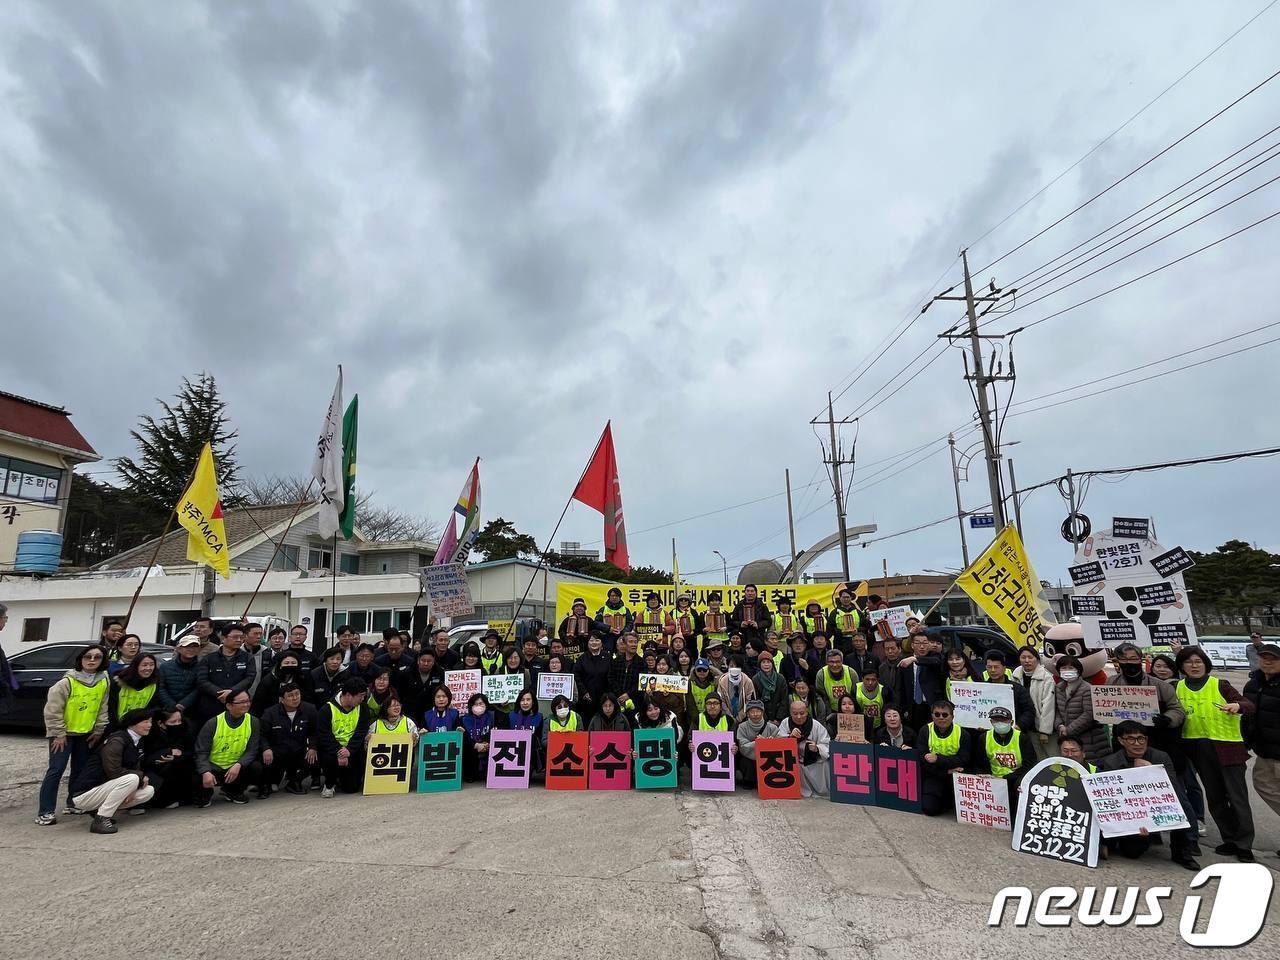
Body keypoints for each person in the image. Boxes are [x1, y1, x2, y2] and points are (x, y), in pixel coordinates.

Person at [1176, 646, 1256, 862]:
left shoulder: (1220, 684)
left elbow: (1249, 705)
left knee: (1237, 797)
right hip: (1197, 749)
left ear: (1206, 664)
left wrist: (1237, 706)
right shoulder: (1178, 687)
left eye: (1198, 661)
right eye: (1189, 662)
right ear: (1182, 666)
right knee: (1215, 798)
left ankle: (1244, 844)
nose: (1194, 665)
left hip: (1227, 748)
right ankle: (1229, 839)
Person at [1098, 720, 1201, 871]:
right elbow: (1112, 799)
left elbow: (1171, 787)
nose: (1137, 743)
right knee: (1132, 852)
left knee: (1181, 801)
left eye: (1141, 738)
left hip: (1159, 805)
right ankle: (1111, 843)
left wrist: (1150, 770)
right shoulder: (1112, 762)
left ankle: (1183, 852)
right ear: (1121, 740)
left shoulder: (1161, 756)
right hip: (1132, 812)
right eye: (1131, 739)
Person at [36, 644, 110, 825]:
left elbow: (102, 707)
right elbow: (53, 710)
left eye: (97, 657)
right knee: (56, 770)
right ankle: (45, 811)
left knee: (80, 769)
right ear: (80, 659)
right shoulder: (66, 682)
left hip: (86, 734)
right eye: (88, 657)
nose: (92, 660)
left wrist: (99, 729)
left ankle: (73, 803)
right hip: (63, 735)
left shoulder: (103, 681)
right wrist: (58, 734)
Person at [67, 708, 156, 834]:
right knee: (133, 778)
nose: (149, 725)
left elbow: (135, 767)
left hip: (104, 789)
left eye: (150, 722)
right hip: (85, 793)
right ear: (132, 723)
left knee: (147, 791)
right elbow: (113, 771)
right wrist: (139, 777)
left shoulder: (137, 740)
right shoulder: (117, 740)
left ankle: (98, 811)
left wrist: (134, 785)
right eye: (145, 722)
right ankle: (101, 819)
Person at [194, 690, 262, 806]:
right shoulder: (213, 723)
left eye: (247, 701)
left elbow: (252, 750)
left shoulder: (253, 721)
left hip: (234, 767)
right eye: (241, 702)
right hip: (213, 767)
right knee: (196, 772)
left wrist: (239, 764)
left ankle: (232, 791)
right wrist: (205, 771)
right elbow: (201, 752)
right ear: (229, 705)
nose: (246, 705)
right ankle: (205, 793)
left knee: (256, 767)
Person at [1243, 642, 1280, 855]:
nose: (1267, 661)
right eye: (1263, 657)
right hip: (1264, 751)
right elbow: (1248, 715)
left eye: (1273, 658)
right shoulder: (1253, 683)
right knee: (1263, 785)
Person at [259, 682, 321, 795]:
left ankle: (295, 781)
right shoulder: (270, 713)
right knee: (263, 758)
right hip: (277, 752)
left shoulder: (310, 709)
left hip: (299, 750)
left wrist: (312, 747)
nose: (295, 698)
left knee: (316, 756)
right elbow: (262, 735)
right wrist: (266, 748)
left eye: (297, 694)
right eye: (290, 695)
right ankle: (266, 784)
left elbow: (315, 732)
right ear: (282, 699)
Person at [194, 622, 256, 731]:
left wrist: (232, 692)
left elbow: (250, 678)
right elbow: (202, 680)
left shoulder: (248, 658)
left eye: (241, 637)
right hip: (211, 705)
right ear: (223, 638)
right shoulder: (209, 658)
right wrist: (220, 693)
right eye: (235, 637)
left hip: (237, 705)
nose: (239, 640)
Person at [916, 699, 971, 816]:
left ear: (952, 716)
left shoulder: (963, 734)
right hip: (934, 775)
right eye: (937, 714)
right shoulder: (925, 731)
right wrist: (947, 770)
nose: (941, 718)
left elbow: (964, 760)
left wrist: (938, 759)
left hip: (956, 776)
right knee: (929, 809)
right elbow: (923, 761)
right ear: (932, 716)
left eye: (945, 714)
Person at [318, 678, 371, 796]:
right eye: (360, 696)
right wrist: (339, 751)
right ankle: (329, 783)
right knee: (327, 757)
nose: (362, 699)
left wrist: (349, 750)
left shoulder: (363, 708)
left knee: (351, 788)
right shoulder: (327, 709)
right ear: (348, 695)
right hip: (333, 750)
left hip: (352, 749)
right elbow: (325, 736)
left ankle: (342, 777)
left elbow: (361, 731)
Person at [1053, 655, 1110, 762]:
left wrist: (1069, 730)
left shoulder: (1087, 688)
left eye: (1070, 668)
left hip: (1089, 739)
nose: (1067, 671)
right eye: (1063, 668)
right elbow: (1057, 711)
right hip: (1067, 738)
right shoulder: (1059, 688)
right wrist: (1059, 726)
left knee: (1090, 766)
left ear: (1078, 670)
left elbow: (1089, 714)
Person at [980, 706, 1035, 817]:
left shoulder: (1022, 738)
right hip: (992, 779)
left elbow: (1029, 765)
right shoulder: (984, 737)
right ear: (991, 722)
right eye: (996, 720)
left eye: (1003, 720)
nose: (999, 723)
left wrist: (1006, 778)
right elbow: (980, 762)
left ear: (1011, 722)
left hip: (1015, 778)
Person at [143, 707, 197, 808]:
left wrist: (179, 757)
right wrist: (168, 752)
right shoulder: (151, 734)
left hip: (181, 762)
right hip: (157, 767)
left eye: (179, 720)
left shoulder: (186, 728)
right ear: (161, 723)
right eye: (173, 722)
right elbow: (146, 756)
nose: (177, 724)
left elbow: (192, 751)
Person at [776, 699, 831, 798]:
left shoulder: (816, 725)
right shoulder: (785, 723)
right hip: (794, 760)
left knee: (825, 765)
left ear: (807, 712)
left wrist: (817, 748)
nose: (799, 717)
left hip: (813, 759)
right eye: (795, 714)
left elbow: (826, 743)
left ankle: (821, 791)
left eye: (802, 713)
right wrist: (789, 737)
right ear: (790, 713)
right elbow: (778, 743)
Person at [1011, 645, 1057, 757]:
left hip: (1041, 727)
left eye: (1030, 657)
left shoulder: (1046, 677)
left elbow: (1048, 705)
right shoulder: (1016, 675)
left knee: (1050, 757)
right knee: (1034, 758)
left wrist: (1044, 731)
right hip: (1024, 726)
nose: (1027, 661)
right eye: (1023, 657)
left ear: (1037, 658)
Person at [981, 650, 1036, 735]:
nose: (992, 670)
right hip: (988, 734)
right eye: (989, 667)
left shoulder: (1017, 689)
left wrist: (1019, 726)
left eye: (996, 667)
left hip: (1014, 733)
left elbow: (1029, 711)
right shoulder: (981, 689)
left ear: (1004, 668)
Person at [898, 634, 944, 730]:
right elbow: (901, 688)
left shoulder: (934, 656)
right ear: (912, 645)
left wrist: (915, 659)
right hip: (913, 706)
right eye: (918, 643)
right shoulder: (906, 662)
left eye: (925, 643)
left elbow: (936, 661)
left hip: (931, 705)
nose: (922, 646)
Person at [108, 654, 159, 729]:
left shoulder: (154, 683)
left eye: (152, 665)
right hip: (116, 725)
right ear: (136, 666)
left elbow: (152, 707)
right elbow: (111, 707)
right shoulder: (118, 682)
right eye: (144, 665)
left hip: (139, 726)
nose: (148, 668)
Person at [735, 700, 776, 789]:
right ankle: (748, 781)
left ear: (762, 712)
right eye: (752, 712)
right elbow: (742, 746)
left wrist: (771, 742)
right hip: (750, 757)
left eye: (758, 711)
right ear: (748, 714)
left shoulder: (772, 727)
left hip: (767, 758)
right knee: (745, 762)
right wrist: (757, 743)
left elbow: (781, 743)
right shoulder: (742, 727)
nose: (755, 714)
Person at [253, 651, 308, 715]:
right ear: (280, 665)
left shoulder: (302, 679)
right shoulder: (268, 681)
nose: (290, 665)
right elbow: (258, 704)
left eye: (293, 663)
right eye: (286, 663)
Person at [607, 632, 643, 712]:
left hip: (635, 703)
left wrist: (628, 695)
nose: (634, 644)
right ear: (624, 644)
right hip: (617, 701)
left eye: (635, 642)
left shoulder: (642, 663)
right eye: (630, 642)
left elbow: (641, 683)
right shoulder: (615, 662)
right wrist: (620, 695)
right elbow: (611, 679)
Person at [814, 648, 857, 716]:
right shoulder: (821, 674)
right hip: (830, 711)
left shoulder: (851, 673)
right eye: (831, 662)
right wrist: (829, 714)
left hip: (849, 712)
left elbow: (855, 695)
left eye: (837, 662)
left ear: (842, 662)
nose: (835, 665)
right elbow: (821, 697)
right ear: (826, 662)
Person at [751, 648, 789, 722]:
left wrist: (778, 718)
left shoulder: (780, 678)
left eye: (768, 662)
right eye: (763, 662)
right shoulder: (755, 679)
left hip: (778, 716)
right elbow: (756, 700)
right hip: (763, 717)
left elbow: (784, 700)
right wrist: (765, 719)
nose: (766, 665)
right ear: (760, 665)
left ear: (772, 664)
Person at [730, 584, 771, 649]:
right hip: (743, 637)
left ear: (756, 593)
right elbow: (733, 621)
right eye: (748, 591)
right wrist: (740, 624)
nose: (750, 593)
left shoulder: (762, 606)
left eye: (752, 591)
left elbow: (768, 621)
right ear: (745, 593)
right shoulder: (739, 606)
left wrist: (758, 624)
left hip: (758, 636)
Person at [716, 658, 756, 723]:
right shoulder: (722, 681)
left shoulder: (748, 681)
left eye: (737, 666)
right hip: (726, 717)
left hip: (745, 718)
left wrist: (739, 717)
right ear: (728, 667)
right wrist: (730, 717)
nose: (734, 669)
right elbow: (721, 701)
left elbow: (749, 701)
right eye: (731, 666)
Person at [594, 587, 633, 652]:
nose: (614, 597)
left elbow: (630, 623)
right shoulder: (603, 609)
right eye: (612, 596)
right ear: (609, 597)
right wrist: (608, 629)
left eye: (616, 596)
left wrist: (623, 632)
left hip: (621, 637)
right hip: (607, 637)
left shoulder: (626, 610)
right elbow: (596, 623)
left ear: (620, 597)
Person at [241, 622, 273, 701]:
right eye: (255, 634)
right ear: (245, 635)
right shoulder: (238, 652)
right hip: (241, 696)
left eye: (260, 634)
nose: (259, 637)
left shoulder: (268, 653)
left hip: (262, 696)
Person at [854, 665, 889, 730]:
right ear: (862, 679)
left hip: (879, 726)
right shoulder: (855, 689)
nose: (870, 683)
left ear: (878, 680)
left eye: (873, 680)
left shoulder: (884, 691)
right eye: (867, 679)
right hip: (860, 725)